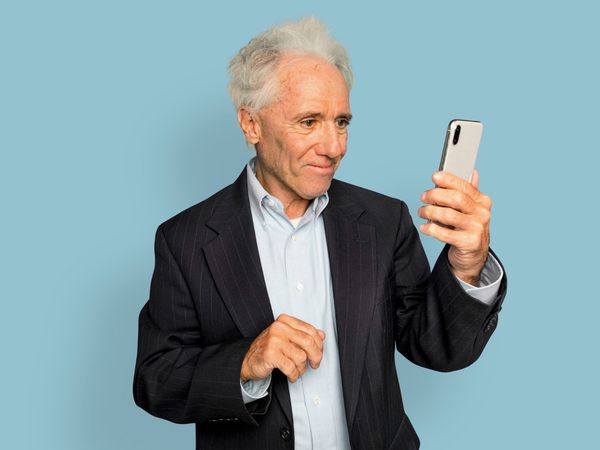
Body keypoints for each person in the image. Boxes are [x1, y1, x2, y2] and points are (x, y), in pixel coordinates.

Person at [133, 17, 507, 450]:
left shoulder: (383, 221)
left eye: (341, 121)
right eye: (309, 122)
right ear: (251, 124)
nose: (334, 147)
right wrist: (245, 363)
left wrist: (467, 265)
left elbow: (437, 348)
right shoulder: (185, 240)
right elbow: (156, 380)